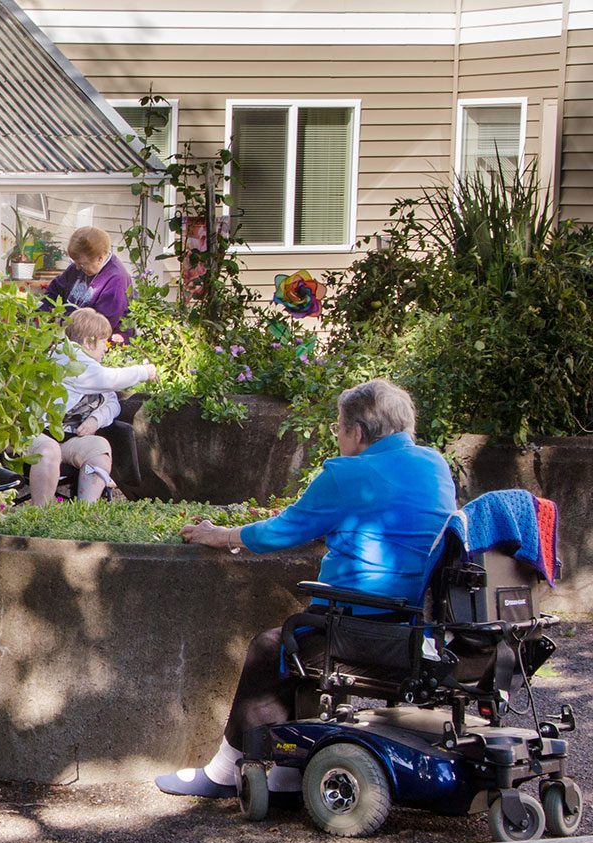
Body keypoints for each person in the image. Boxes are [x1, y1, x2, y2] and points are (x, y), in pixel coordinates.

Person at [156, 379, 456, 798]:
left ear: (359, 432)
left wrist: (219, 534)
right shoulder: (434, 465)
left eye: (338, 427)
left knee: (274, 648)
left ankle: (225, 771)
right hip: (409, 622)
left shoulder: (347, 474)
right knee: (300, 644)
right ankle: (287, 772)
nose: (336, 436)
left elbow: (284, 531)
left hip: (358, 619)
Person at [26, 308, 158, 504]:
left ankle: (85, 510)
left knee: (99, 448)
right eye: (103, 341)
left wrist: (96, 419)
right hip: (37, 435)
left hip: (68, 439)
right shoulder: (68, 360)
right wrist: (145, 371)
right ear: (88, 342)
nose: (106, 347)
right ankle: (38, 514)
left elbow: (112, 402)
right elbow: (112, 379)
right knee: (50, 450)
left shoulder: (91, 367)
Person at [37, 226, 135, 339]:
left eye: (82, 264)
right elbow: (55, 291)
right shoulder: (78, 268)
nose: (77, 268)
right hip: (71, 335)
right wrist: (40, 316)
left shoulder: (116, 280)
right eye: (76, 263)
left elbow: (101, 327)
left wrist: (62, 323)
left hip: (99, 345)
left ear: (100, 258)